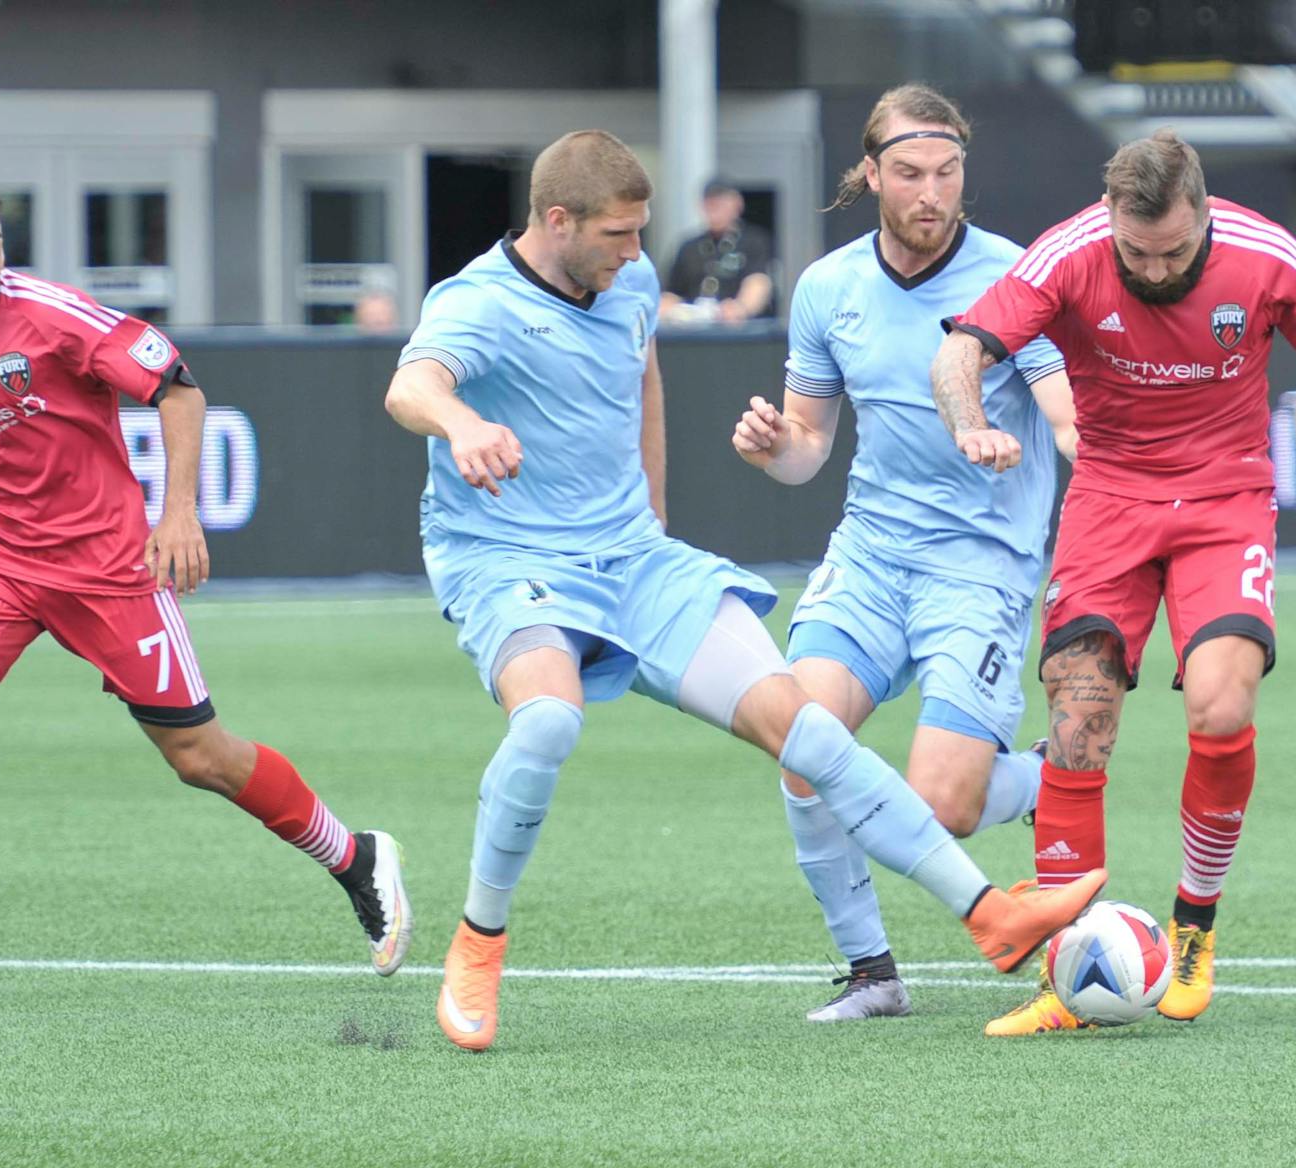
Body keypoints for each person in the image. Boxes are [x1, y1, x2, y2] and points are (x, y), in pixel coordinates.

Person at [382, 130, 1107, 1053]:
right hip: (509, 557)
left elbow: (638, 372)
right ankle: (480, 942)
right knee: (549, 721)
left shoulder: (631, 285)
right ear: (556, 222)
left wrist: (649, 516)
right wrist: (461, 421)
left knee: (802, 729)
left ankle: (989, 913)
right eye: (619, 234)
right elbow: (412, 385)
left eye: (643, 233)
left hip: (633, 558)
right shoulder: (478, 302)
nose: (639, 254)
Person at [0, 168, 412, 1006]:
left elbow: (179, 389)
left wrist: (179, 514)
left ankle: (356, 857)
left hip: (109, 565)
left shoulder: (50, 314)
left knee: (202, 757)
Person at [933, 130, 1296, 1033]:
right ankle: (1067, 968)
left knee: (1221, 703)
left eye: (1170, 249)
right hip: (1110, 498)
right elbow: (959, 350)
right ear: (1112, 221)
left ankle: (1194, 925)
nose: (1153, 266)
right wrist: (969, 421)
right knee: (1077, 720)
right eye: (1136, 250)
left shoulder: (1266, 255)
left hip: (1226, 498)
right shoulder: (1071, 252)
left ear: (1203, 211)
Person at [728, 85, 1078, 1023]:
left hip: (982, 566)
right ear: (872, 174)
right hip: (873, 558)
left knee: (945, 803)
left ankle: (1054, 775)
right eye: (913, 174)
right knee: (801, 743)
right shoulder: (828, 287)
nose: (933, 192)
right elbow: (808, 448)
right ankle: (872, 972)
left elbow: (1065, 415)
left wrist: (1078, 455)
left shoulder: (1018, 275)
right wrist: (775, 449)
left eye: (949, 172)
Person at [659, 179, 774, 323]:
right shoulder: (689, 247)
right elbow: (671, 293)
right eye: (710, 204)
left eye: (721, 203)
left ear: (737, 204)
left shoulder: (754, 241)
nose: (715, 209)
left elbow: (758, 283)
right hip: (694, 328)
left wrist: (740, 308)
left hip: (739, 329)